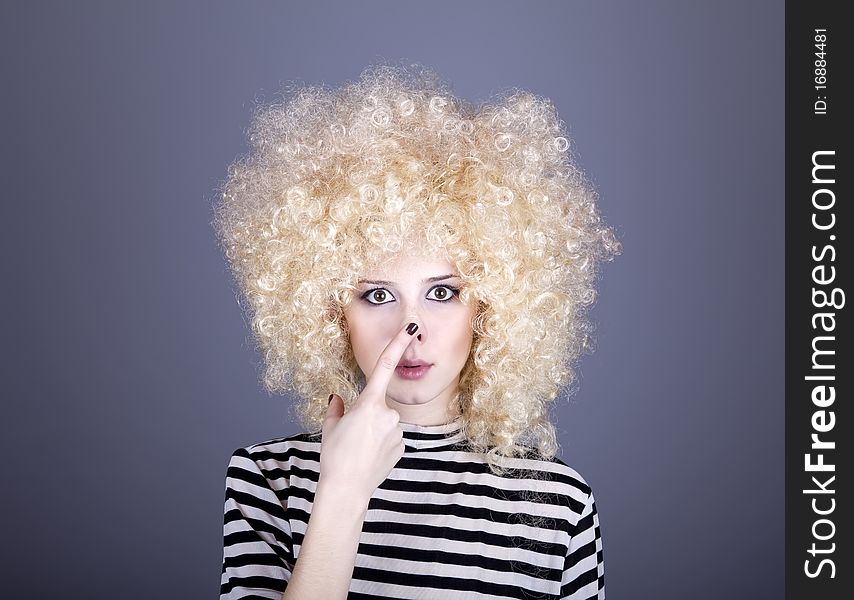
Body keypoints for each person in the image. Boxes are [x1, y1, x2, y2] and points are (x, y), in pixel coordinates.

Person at [213, 63, 620, 600]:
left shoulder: (556, 504)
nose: (411, 329)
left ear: (490, 305)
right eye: (377, 295)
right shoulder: (269, 478)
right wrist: (343, 491)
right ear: (332, 309)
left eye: (442, 293)